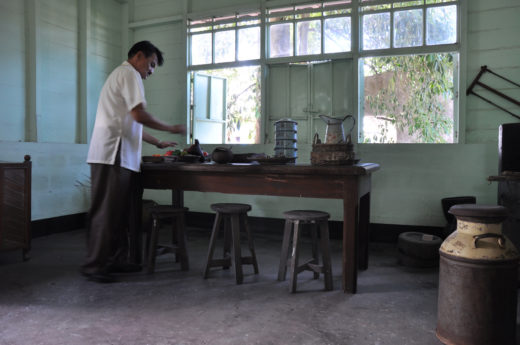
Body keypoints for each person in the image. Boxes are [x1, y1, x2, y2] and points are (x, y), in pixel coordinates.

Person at [82, 41, 185, 283]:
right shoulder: (129, 74)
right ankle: (94, 265)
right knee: (106, 212)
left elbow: (130, 121)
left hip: (118, 153)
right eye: (150, 65)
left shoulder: (122, 75)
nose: (150, 72)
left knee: (117, 213)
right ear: (139, 56)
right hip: (112, 153)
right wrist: (171, 127)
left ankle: (115, 260)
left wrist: (157, 141)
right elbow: (139, 114)